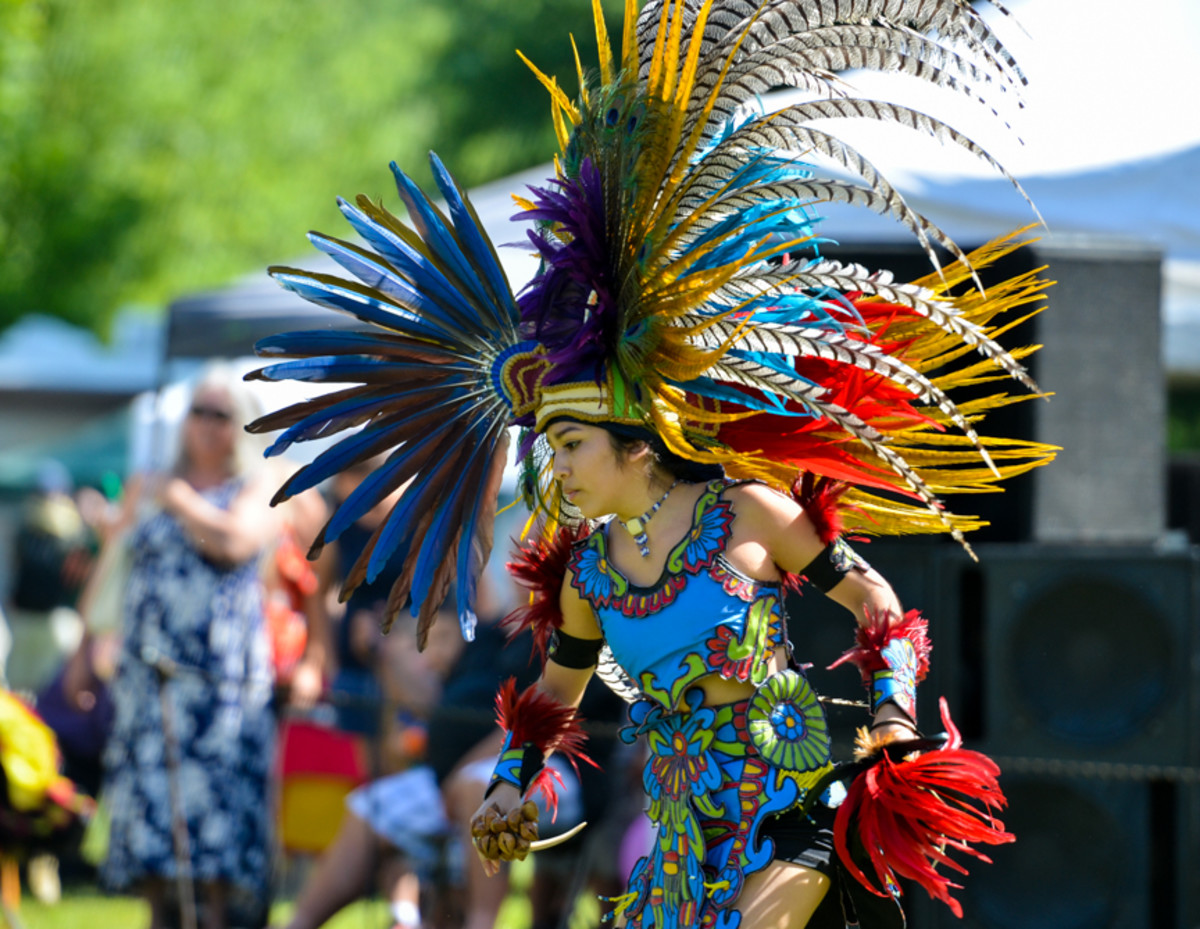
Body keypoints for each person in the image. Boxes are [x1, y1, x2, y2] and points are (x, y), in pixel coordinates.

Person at [243, 2, 1056, 927]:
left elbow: (878, 606)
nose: (560, 466)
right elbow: (553, 699)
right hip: (675, 832)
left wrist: (892, 726)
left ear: (636, 444)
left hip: (792, 810)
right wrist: (512, 785)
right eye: (551, 445)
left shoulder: (747, 513)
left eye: (574, 444)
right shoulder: (587, 573)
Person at [100, 362, 281, 929]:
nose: (205, 425)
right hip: (149, 684)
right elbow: (112, 570)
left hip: (219, 692)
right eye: (197, 412)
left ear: (242, 425)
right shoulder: (147, 483)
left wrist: (176, 498)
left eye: (220, 414)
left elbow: (235, 542)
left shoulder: (256, 485)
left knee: (214, 846)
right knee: (154, 838)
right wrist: (92, 646)